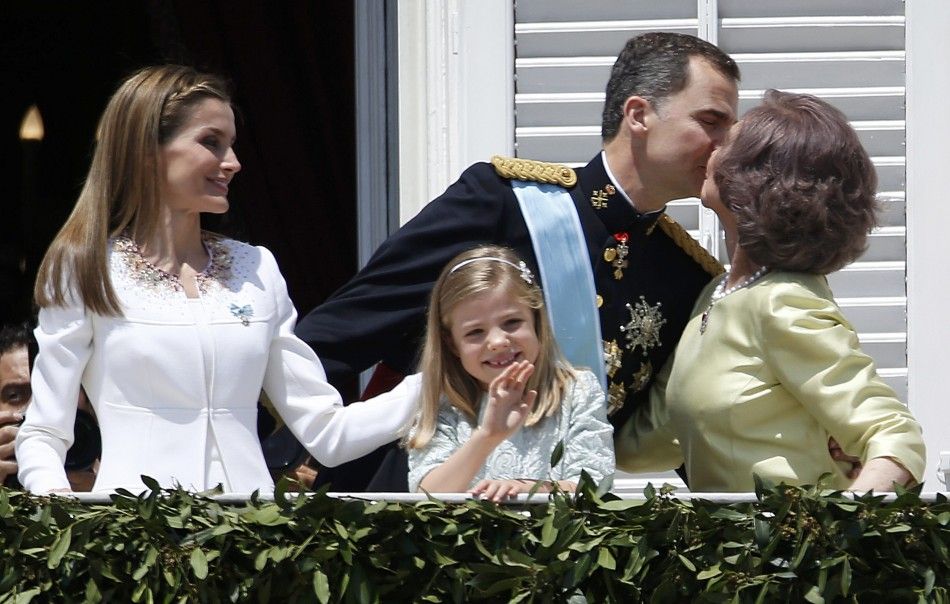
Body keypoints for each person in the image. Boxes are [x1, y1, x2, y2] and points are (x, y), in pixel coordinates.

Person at [296, 32, 740, 491]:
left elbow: (682, 427)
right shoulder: (502, 204)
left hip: (561, 542)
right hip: (412, 512)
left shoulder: (685, 275)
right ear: (639, 114)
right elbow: (336, 335)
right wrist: (302, 458)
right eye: (711, 121)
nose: (726, 144)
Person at [15, 65, 418, 494]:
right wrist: (63, 523)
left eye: (231, 145)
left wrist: (440, 382)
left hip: (253, 540)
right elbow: (44, 433)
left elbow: (328, 433)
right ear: (147, 150)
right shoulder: (84, 266)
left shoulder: (257, 268)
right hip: (132, 537)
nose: (233, 163)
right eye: (211, 142)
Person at [616, 91, 926, 491]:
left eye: (727, 143)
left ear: (758, 180)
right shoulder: (717, 294)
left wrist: (837, 533)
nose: (711, 148)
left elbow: (894, 435)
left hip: (788, 549)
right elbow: (644, 444)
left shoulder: (783, 301)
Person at [406, 246, 614, 501]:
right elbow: (427, 495)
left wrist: (530, 489)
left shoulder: (576, 390)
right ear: (452, 344)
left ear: (536, 321)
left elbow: (594, 484)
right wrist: (487, 436)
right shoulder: (443, 403)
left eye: (512, 323)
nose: (497, 341)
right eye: (475, 332)